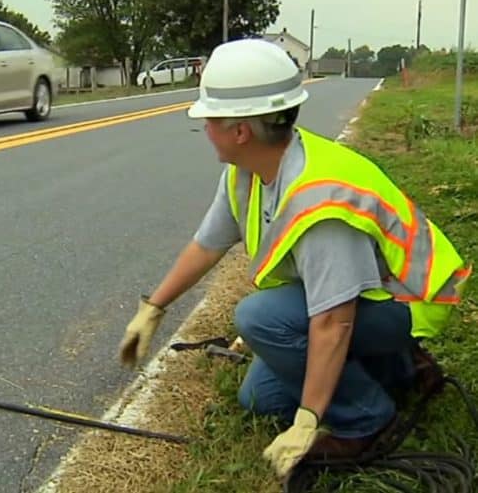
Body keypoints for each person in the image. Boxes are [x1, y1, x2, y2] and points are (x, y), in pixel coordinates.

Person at [117, 38, 471, 479]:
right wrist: (155, 307)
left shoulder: (321, 204)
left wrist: (309, 420)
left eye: (209, 118)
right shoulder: (249, 171)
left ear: (240, 130)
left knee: (261, 317)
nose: (204, 126)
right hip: (371, 297)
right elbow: (207, 244)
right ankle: (399, 366)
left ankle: (366, 418)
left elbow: (333, 321)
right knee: (260, 399)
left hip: (407, 303)